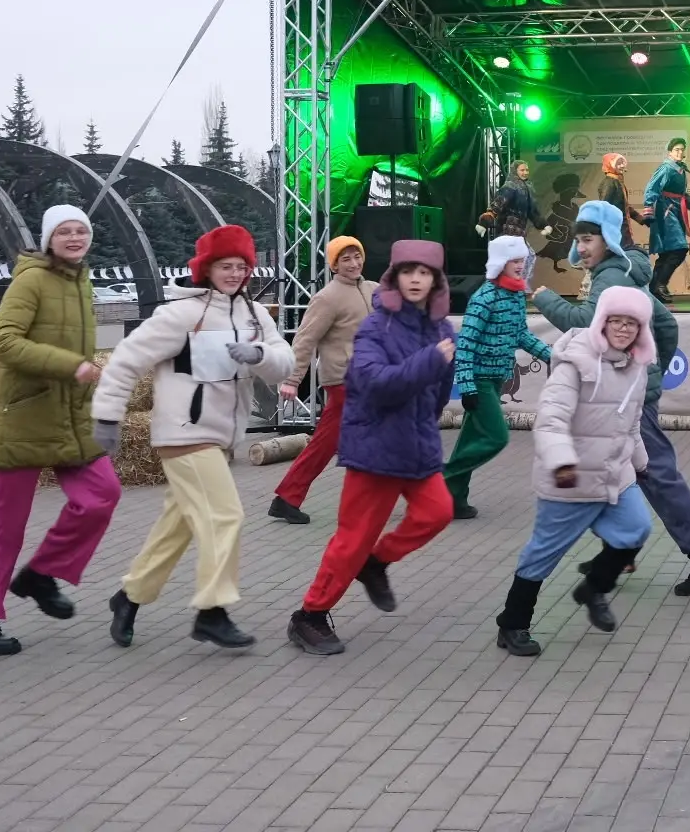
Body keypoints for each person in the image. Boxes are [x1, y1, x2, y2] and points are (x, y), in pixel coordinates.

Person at [96, 225, 293, 651]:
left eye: (241, 266)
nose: (235, 274)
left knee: (179, 525)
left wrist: (260, 354)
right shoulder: (180, 315)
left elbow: (285, 362)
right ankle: (212, 611)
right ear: (207, 269)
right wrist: (107, 417)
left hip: (221, 439)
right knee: (225, 516)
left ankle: (129, 596)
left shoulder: (254, 315)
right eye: (225, 266)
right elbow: (126, 360)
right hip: (184, 434)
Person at [534, 200, 690, 596]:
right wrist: (652, 368)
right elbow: (665, 323)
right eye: (579, 240)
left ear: (607, 239)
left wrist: (546, 299)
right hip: (625, 391)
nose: (582, 248)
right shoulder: (627, 271)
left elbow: (585, 322)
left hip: (622, 396)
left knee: (655, 474)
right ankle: (621, 550)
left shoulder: (611, 277)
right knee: (616, 469)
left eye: (589, 239)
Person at [0, 206, 122, 656]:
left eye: (81, 230)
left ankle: (41, 574)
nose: (74, 237)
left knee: (102, 494)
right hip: (25, 415)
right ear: (48, 239)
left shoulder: (80, 280)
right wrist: (71, 366)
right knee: (3, 525)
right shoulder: (31, 279)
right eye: (64, 231)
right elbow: (4, 342)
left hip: (70, 416)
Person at [288, 240, 460, 655]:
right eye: (408, 272)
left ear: (436, 280)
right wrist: (429, 362)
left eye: (424, 273)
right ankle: (309, 615)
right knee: (353, 539)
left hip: (417, 446)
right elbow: (375, 385)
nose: (415, 279)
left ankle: (376, 563)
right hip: (375, 449)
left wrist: (426, 416)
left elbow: (438, 394)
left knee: (438, 513)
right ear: (394, 278)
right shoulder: (375, 327)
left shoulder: (442, 329)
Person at [494, 285, 657, 656]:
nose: (623, 328)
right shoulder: (575, 361)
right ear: (602, 322)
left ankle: (594, 588)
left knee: (636, 529)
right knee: (543, 554)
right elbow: (551, 418)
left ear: (641, 328)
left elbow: (631, 422)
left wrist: (641, 462)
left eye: (631, 323)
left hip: (615, 474)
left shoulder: (638, 367)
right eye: (616, 320)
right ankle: (512, 624)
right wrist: (562, 461)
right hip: (570, 478)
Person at [446, 235, 552, 518]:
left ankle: (453, 499)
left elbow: (521, 335)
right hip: (479, 381)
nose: (520, 265)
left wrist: (553, 356)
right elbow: (465, 345)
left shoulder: (516, 294)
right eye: (514, 260)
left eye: (522, 260)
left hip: (497, 379)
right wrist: (467, 387)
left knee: (469, 442)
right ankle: (440, 480)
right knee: (496, 437)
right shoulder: (484, 298)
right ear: (500, 262)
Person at [270, 235, 372, 525]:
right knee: (326, 443)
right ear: (334, 266)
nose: (353, 263)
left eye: (357, 256)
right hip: (344, 381)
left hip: (371, 380)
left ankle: (390, 491)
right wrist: (292, 379)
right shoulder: (327, 298)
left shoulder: (373, 290)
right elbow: (304, 340)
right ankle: (287, 497)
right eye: (345, 259)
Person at [641, 138, 690, 303]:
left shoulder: (680, 169)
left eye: (682, 149)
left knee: (666, 253)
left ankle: (654, 289)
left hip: (676, 209)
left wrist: (689, 200)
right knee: (679, 248)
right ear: (670, 152)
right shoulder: (666, 168)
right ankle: (661, 284)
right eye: (677, 149)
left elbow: (681, 191)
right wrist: (648, 210)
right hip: (666, 210)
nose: (680, 152)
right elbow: (652, 188)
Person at [480, 160, 549, 239]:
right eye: (522, 170)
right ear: (515, 171)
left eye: (527, 170)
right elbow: (497, 204)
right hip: (505, 233)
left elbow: (532, 211)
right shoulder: (510, 186)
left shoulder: (527, 189)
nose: (525, 172)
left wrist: (544, 225)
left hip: (519, 234)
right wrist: (484, 223)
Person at [596, 153, 637, 249]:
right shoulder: (609, 183)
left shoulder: (617, 182)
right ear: (610, 165)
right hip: (616, 229)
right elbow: (604, 206)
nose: (622, 166)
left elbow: (624, 206)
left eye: (623, 163)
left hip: (622, 229)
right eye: (618, 163)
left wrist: (641, 219)